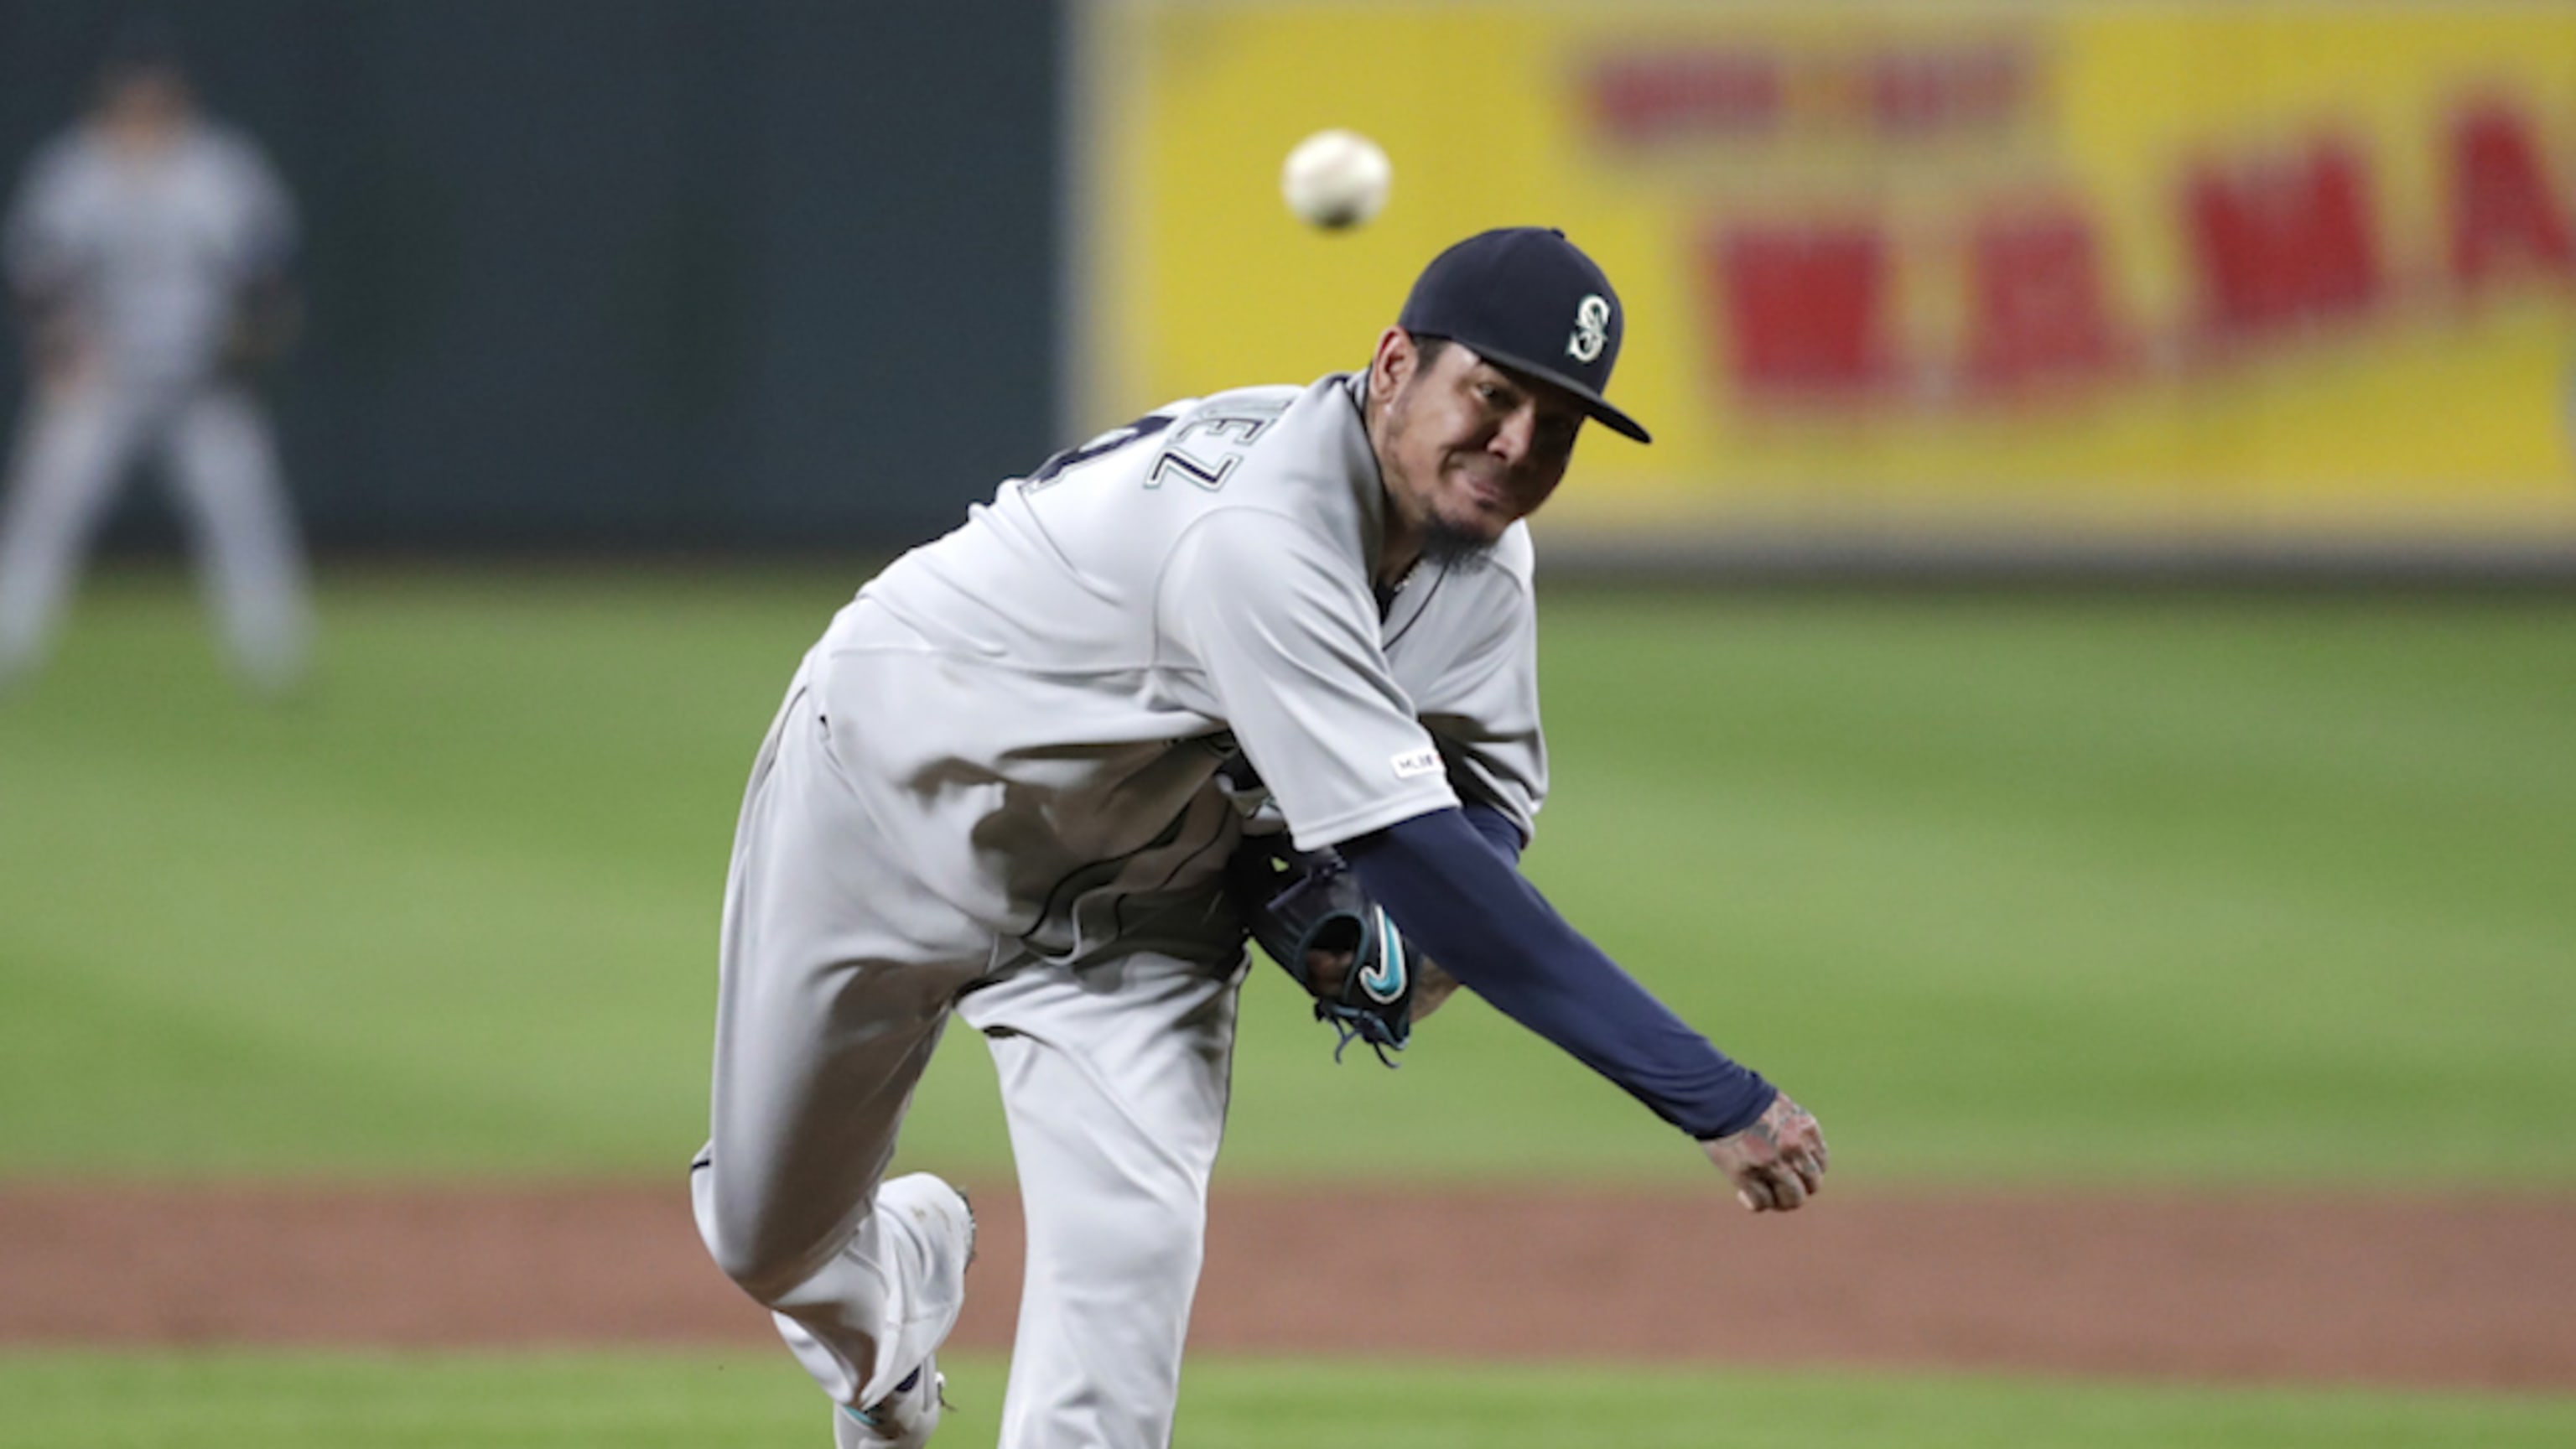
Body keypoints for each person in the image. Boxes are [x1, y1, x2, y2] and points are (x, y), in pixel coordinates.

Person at [693, 226, 1831, 1449]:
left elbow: (1483, 807)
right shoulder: (1261, 537)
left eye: (1557, 426)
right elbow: (1415, 852)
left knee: (1118, 1313)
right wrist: (1711, 1094)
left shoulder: (1485, 564)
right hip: (887, 805)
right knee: (769, 1239)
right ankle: (894, 1316)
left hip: (1143, 912)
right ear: (1395, 365)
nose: (1517, 447)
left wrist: (1404, 941)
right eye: (1493, 397)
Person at [0, 23, 311, 695]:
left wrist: (245, 344)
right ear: (108, 103)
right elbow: (35, 279)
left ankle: (273, 658)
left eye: (155, 102)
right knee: (46, 511)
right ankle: (10, 646)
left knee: (244, 512)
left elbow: (267, 273)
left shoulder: (219, 169)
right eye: (130, 102)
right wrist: (59, 350)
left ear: (179, 101)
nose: (142, 115)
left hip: (198, 380)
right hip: (100, 380)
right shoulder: (75, 171)